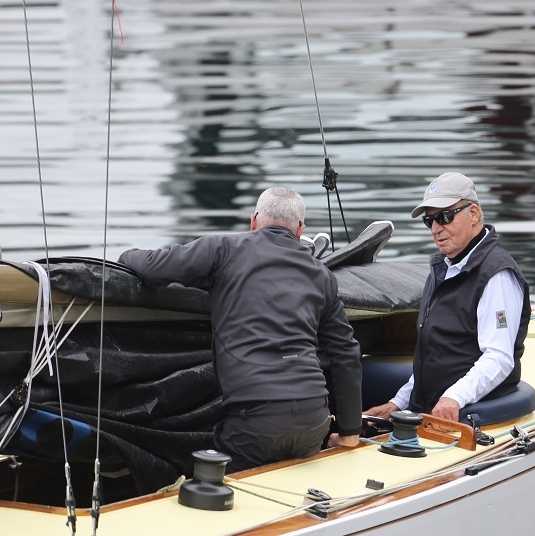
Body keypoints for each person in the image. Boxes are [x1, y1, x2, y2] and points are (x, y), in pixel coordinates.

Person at [118, 187, 362, 471]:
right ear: (300, 231)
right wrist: (349, 432)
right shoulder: (321, 274)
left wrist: (127, 255)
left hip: (256, 423)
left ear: (254, 221)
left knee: (210, 489)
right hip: (314, 418)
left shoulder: (223, 249)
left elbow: (152, 267)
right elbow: (346, 352)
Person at [363, 172, 531, 424]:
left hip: (465, 417)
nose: (435, 229)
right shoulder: (442, 267)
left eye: (444, 217)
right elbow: (434, 357)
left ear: (473, 214)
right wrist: (399, 402)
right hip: (428, 410)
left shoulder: (497, 275)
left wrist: (454, 398)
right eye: (429, 220)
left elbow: (499, 357)